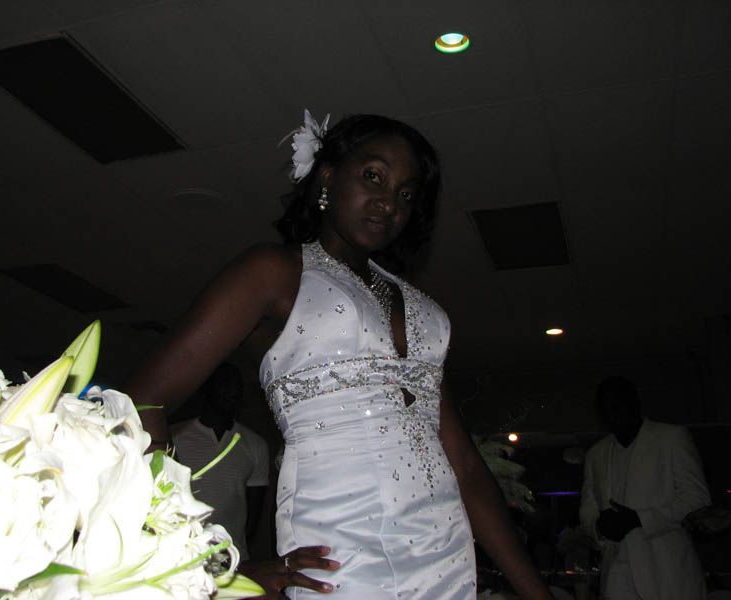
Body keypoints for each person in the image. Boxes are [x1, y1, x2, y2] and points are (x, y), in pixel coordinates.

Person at [125, 112, 550, 599]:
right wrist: (210, 564)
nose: (389, 202)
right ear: (327, 176)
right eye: (373, 176)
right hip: (339, 558)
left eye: (407, 193)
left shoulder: (421, 310)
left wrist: (538, 593)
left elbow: (467, 469)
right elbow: (138, 402)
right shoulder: (274, 271)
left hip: (445, 558)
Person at [579, 376, 710, 599]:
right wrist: (599, 525)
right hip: (615, 576)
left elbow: (696, 497)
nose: (613, 412)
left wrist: (641, 519)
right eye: (606, 408)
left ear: (634, 402)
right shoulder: (595, 454)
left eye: (618, 404)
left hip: (667, 576)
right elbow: (587, 508)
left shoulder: (670, 438)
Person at [168, 363, 269, 561]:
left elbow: (254, 511)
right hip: (181, 556)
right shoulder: (175, 436)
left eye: (237, 387)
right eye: (224, 384)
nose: (232, 392)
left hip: (233, 556)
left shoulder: (255, 444)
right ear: (206, 388)